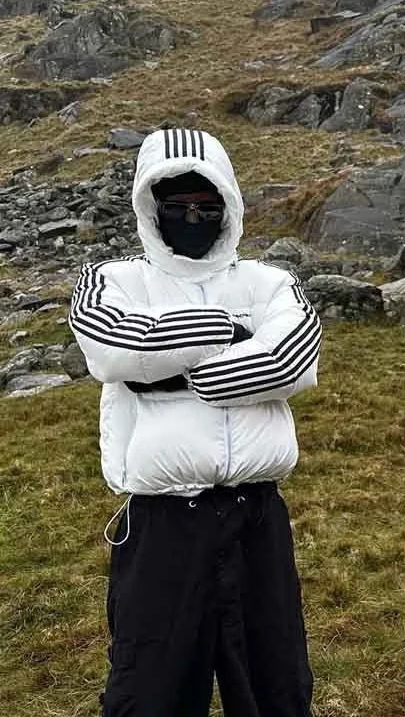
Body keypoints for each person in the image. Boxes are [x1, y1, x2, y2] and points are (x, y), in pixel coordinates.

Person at [69, 127, 321, 717]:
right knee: (151, 685)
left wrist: (175, 374)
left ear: (229, 205)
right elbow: (111, 349)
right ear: (150, 208)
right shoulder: (114, 279)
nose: (192, 217)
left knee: (275, 682)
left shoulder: (269, 281)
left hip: (256, 515)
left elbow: (294, 358)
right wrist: (230, 332)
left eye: (207, 207)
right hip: (162, 525)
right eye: (177, 206)